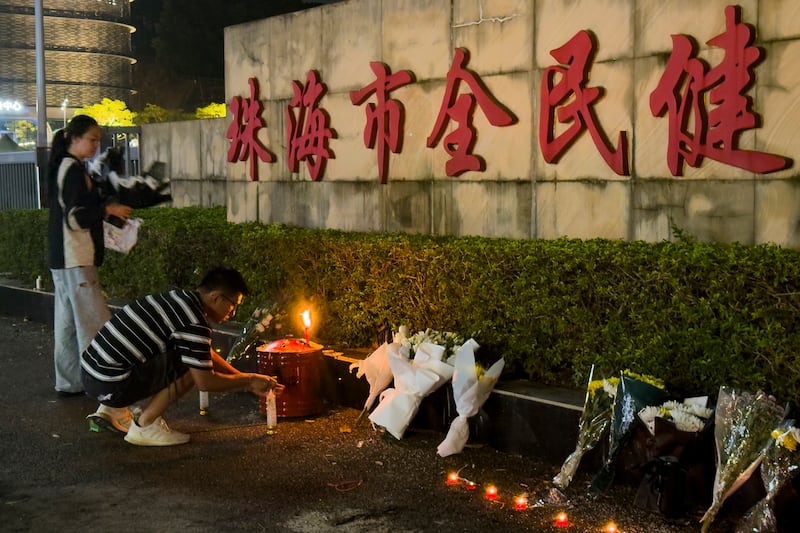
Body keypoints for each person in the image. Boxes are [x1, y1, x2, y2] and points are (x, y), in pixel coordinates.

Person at [81, 266, 284, 446]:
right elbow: (205, 381)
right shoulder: (194, 321)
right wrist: (248, 380)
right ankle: (145, 425)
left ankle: (110, 410)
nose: (232, 314)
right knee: (190, 366)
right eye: (233, 306)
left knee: (191, 356)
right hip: (111, 384)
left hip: (93, 375)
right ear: (216, 297)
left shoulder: (179, 300)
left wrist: (241, 377)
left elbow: (205, 353)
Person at [47, 114, 133, 395]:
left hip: (64, 258)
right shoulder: (72, 169)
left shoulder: (66, 166)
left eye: (98, 139)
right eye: (92, 139)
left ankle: (69, 382)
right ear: (74, 138)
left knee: (68, 323)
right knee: (94, 323)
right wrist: (107, 210)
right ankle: (106, 386)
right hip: (76, 256)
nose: (97, 145)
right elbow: (76, 217)